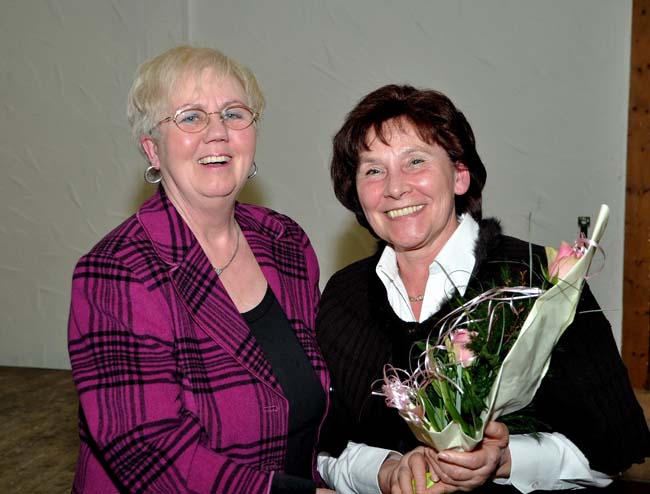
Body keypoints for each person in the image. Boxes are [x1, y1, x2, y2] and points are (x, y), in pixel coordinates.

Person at [315, 84, 650, 493]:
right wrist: (385, 470)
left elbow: (608, 453)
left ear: (459, 176)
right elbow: (322, 450)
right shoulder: (344, 297)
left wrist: (505, 460)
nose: (395, 187)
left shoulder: (537, 278)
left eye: (415, 161)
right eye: (373, 170)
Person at [67, 46, 334, 494]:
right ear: (152, 149)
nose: (218, 132)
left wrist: (381, 464)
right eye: (190, 117)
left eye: (234, 113)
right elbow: (150, 454)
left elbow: (316, 405)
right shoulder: (115, 272)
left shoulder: (285, 242)